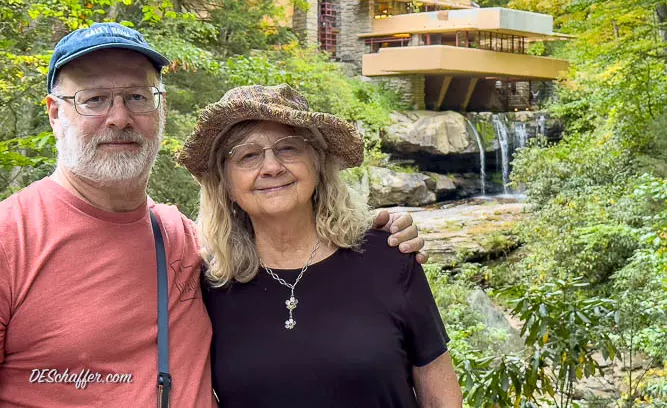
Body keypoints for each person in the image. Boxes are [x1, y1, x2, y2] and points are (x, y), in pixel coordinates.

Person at [0, 23, 425, 407]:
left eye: (137, 97)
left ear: (160, 110)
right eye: (94, 99)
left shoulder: (186, 242)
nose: (119, 117)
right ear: (55, 113)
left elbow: (290, 247)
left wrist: (373, 232)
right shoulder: (11, 239)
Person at [179, 84, 463, 407]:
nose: (271, 167)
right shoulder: (210, 287)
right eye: (248, 155)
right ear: (227, 184)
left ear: (316, 164)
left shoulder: (388, 256)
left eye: (288, 148)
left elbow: (441, 397)